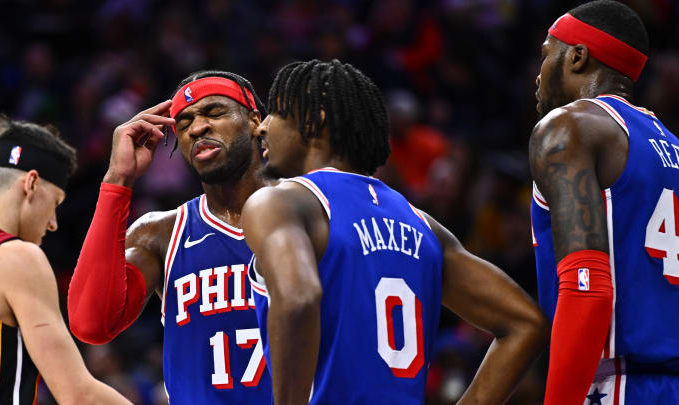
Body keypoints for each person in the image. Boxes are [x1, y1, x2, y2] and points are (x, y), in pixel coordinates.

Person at [242, 59, 549, 405]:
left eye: (276, 113)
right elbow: (526, 323)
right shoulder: (423, 223)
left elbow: (298, 299)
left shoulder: (281, 202)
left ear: (320, 116)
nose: (261, 128)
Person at [67, 71, 272, 404]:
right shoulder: (160, 233)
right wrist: (118, 180)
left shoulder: (310, 213)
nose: (197, 128)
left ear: (253, 120)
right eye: (185, 121)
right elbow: (90, 323)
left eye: (215, 112)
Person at [530, 1, 679, 403]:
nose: (538, 73)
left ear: (577, 57)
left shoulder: (569, 127)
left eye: (546, 55)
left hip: (615, 385)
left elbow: (588, 289)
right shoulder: (671, 144)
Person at [0, 116, 131, 404]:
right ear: (32, 183)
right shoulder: (15, 257)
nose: (53, 223)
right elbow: (77, 395)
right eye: (56, 203)